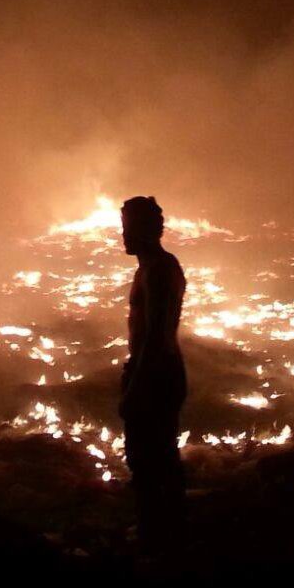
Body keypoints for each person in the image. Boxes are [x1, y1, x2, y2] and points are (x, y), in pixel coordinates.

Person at [118, 195, 187, 552]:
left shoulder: (158, 271)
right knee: (153, 457)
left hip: (156, 376)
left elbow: (157, 336)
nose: (124, 236)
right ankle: (161, 532)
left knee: (151, 459)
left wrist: (136, 386)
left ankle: (159, 540)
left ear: (147, 230)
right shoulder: (152, 268)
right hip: (156, 372)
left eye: (129, 228)